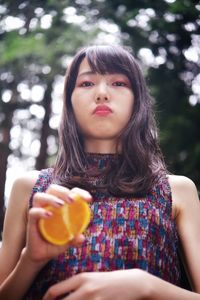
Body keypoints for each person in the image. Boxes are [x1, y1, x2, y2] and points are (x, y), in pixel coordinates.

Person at [0, 44, 200, 300]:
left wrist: (148, 287)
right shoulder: (31, 187)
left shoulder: (177, 190)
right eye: (86, 84)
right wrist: (31, 259)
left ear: (137, 100)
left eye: (118, 83)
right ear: (69, 101)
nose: (102, 93)